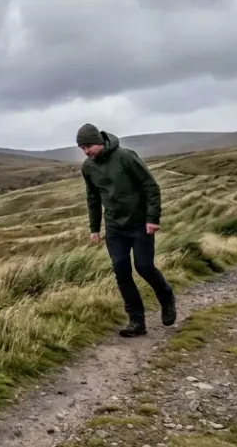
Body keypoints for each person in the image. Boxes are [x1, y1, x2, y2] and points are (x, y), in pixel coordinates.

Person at [77, 123, 176, 337]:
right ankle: (136, 321)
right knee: (121, 271)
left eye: (88, 146)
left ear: (99, 142)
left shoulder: (125, 157)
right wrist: (94, 228)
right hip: (114, 227)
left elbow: (150, 186)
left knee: (144, 267)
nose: (86, 152)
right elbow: (93, 198)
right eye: (82, 148)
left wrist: (152, 218)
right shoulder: (88, 168)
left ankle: (166, 297)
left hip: (139, 223)